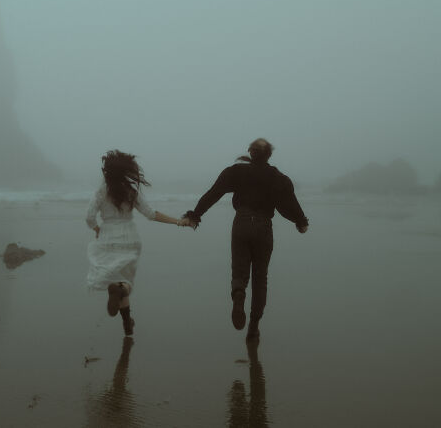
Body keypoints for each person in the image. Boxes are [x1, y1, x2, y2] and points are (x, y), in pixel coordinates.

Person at [182, 138, 308, 342]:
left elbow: (214, 193)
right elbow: (289, 204)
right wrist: (300, 221)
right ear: (269, 155)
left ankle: (239, 294)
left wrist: (196, 214)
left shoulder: (236, 172)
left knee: (239, 271)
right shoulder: (278, 178)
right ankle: (254, 327)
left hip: (241, 223)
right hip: (263, 226)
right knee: (260, 278)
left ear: (251, 152)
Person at [86, 149, 187, 336]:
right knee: (125, 281)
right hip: (129, 237)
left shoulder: (101, 192)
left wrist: (97, 228)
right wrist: (178, 221)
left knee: (115, 278)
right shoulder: (131, 191)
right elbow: (151, 214)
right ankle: (127, 323)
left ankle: (123, 310)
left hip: (107, 237)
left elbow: (89, 217)